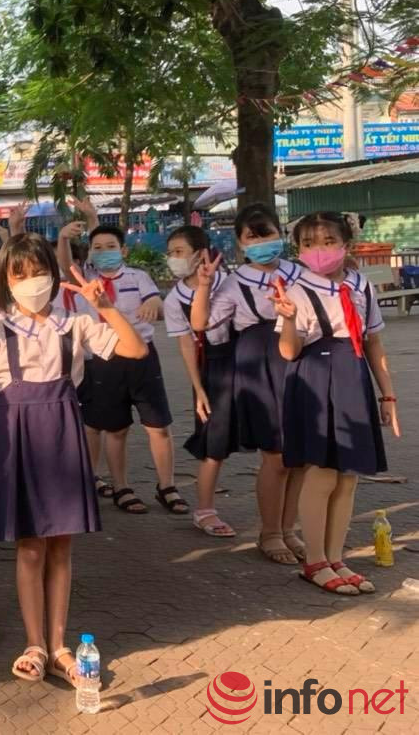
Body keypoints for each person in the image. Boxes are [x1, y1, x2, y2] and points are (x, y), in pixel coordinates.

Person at [0, 234, 146, 685]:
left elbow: (135, 350)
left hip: (63, 435)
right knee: (31, 545)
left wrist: (105, 307)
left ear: (54, 276)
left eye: (39, 271)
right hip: (18, 438)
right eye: (19, 274)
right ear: (5, 281)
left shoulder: (74, 323)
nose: (31, 282)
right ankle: (34, 644)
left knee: (60, 544)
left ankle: (59, 647)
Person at [272, 212, 399, 596]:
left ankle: (335, 558)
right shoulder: (296, 291)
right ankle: (315, 561)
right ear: (298, 249)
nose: (319, 251)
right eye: (308, 244)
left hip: (353, 378)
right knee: (323, 472)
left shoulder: (361, 285)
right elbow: (289, 352)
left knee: (348, 475)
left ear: (346, 245)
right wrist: (288, 319)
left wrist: (387, 395)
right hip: (315, 379)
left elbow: (373, 342)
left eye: (328, 242)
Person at [191, 203, 305, 563]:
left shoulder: (299, 273)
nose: (261, 242)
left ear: (280, 234)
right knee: (277, 456)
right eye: (252, 237)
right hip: (259, 368)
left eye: (266, 233)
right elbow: (200, 324)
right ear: (241, 244)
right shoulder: (235, 283)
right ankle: (270, 533)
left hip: (300, 360)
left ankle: (289, 529)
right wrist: (204, 286)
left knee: (300, 456)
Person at [58, 221, 186, 517]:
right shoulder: (87, 279)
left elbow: (155, 299)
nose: (104, 252)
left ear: (123, 250)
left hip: (142, 357)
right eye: (97, 248)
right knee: (116, 429)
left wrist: (153, 304)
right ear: (90, 253)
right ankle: (121, 487)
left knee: (158, 426)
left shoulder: (138, 276)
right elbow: (66, 265)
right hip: (104, 359)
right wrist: (64, 237)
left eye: (111, 247)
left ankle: (167, 485)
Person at [163, 226, 238, 538]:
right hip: (212, 366)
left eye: (179, 252)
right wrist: (198, 389)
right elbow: (186, 344)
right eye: (171, 253)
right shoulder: (174, 300)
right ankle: (205, 510)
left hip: (245, 360)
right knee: (213, 441)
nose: (173, 259)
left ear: (201, 253)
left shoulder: (231, 282)